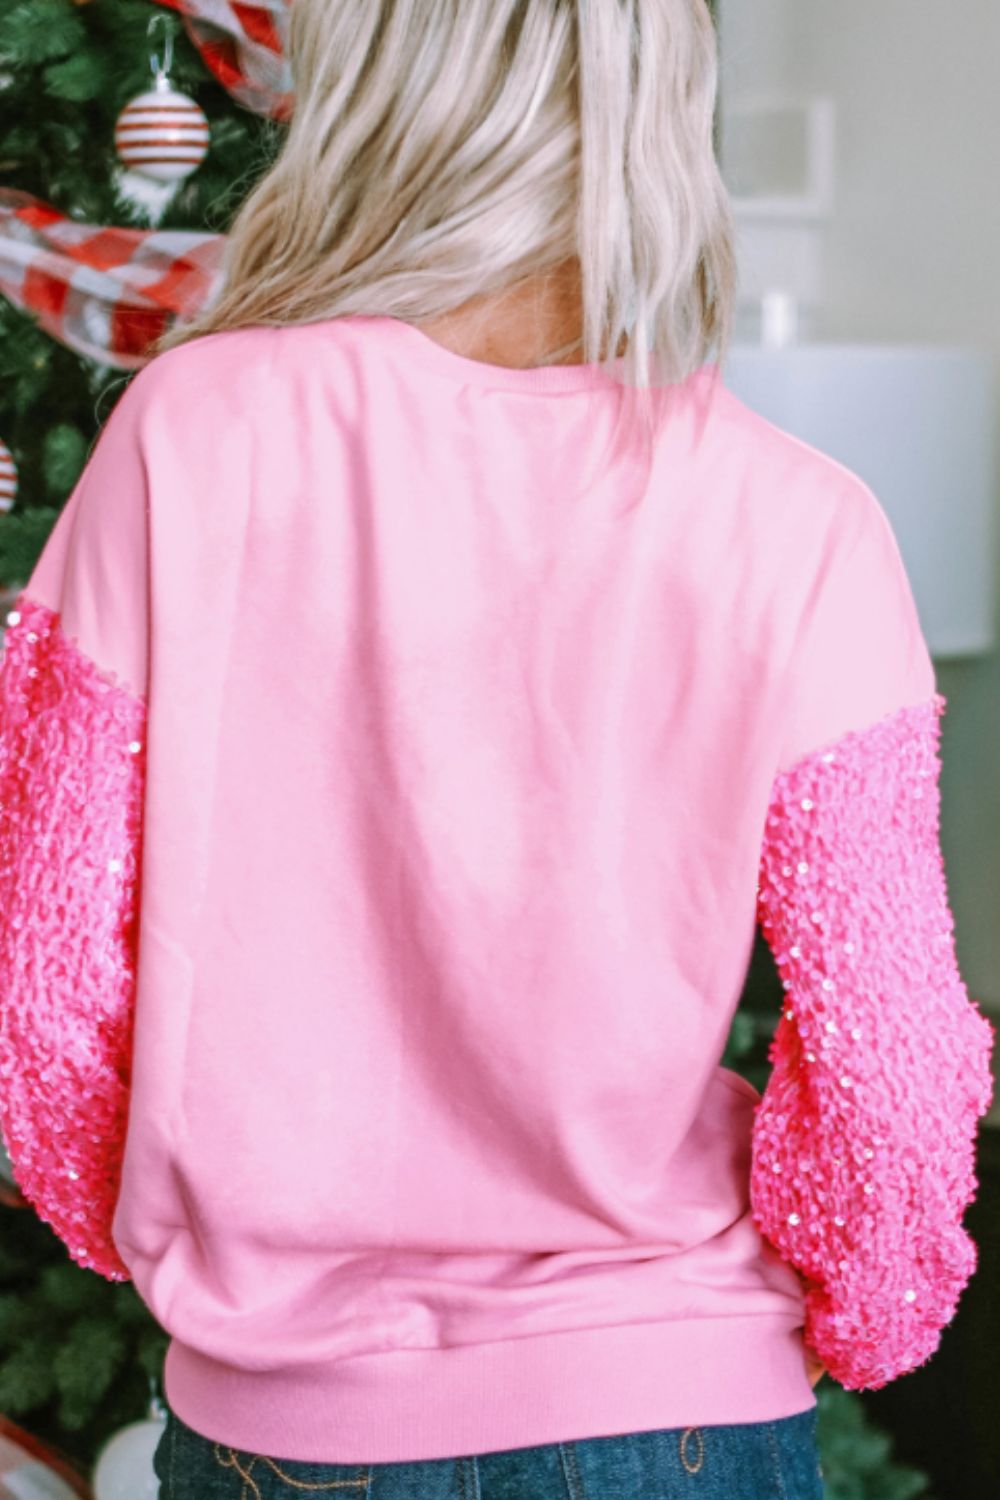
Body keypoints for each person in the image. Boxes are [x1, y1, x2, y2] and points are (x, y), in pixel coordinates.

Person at [0, 2, 993, 1497]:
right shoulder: (802, 523)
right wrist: (861, 1317)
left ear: (373, 76)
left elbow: (48, 976)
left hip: (288, 1418)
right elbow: (890, 1058)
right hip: (683, 1404)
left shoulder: (192, 432)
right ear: (668, 103)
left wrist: (175, 1248)